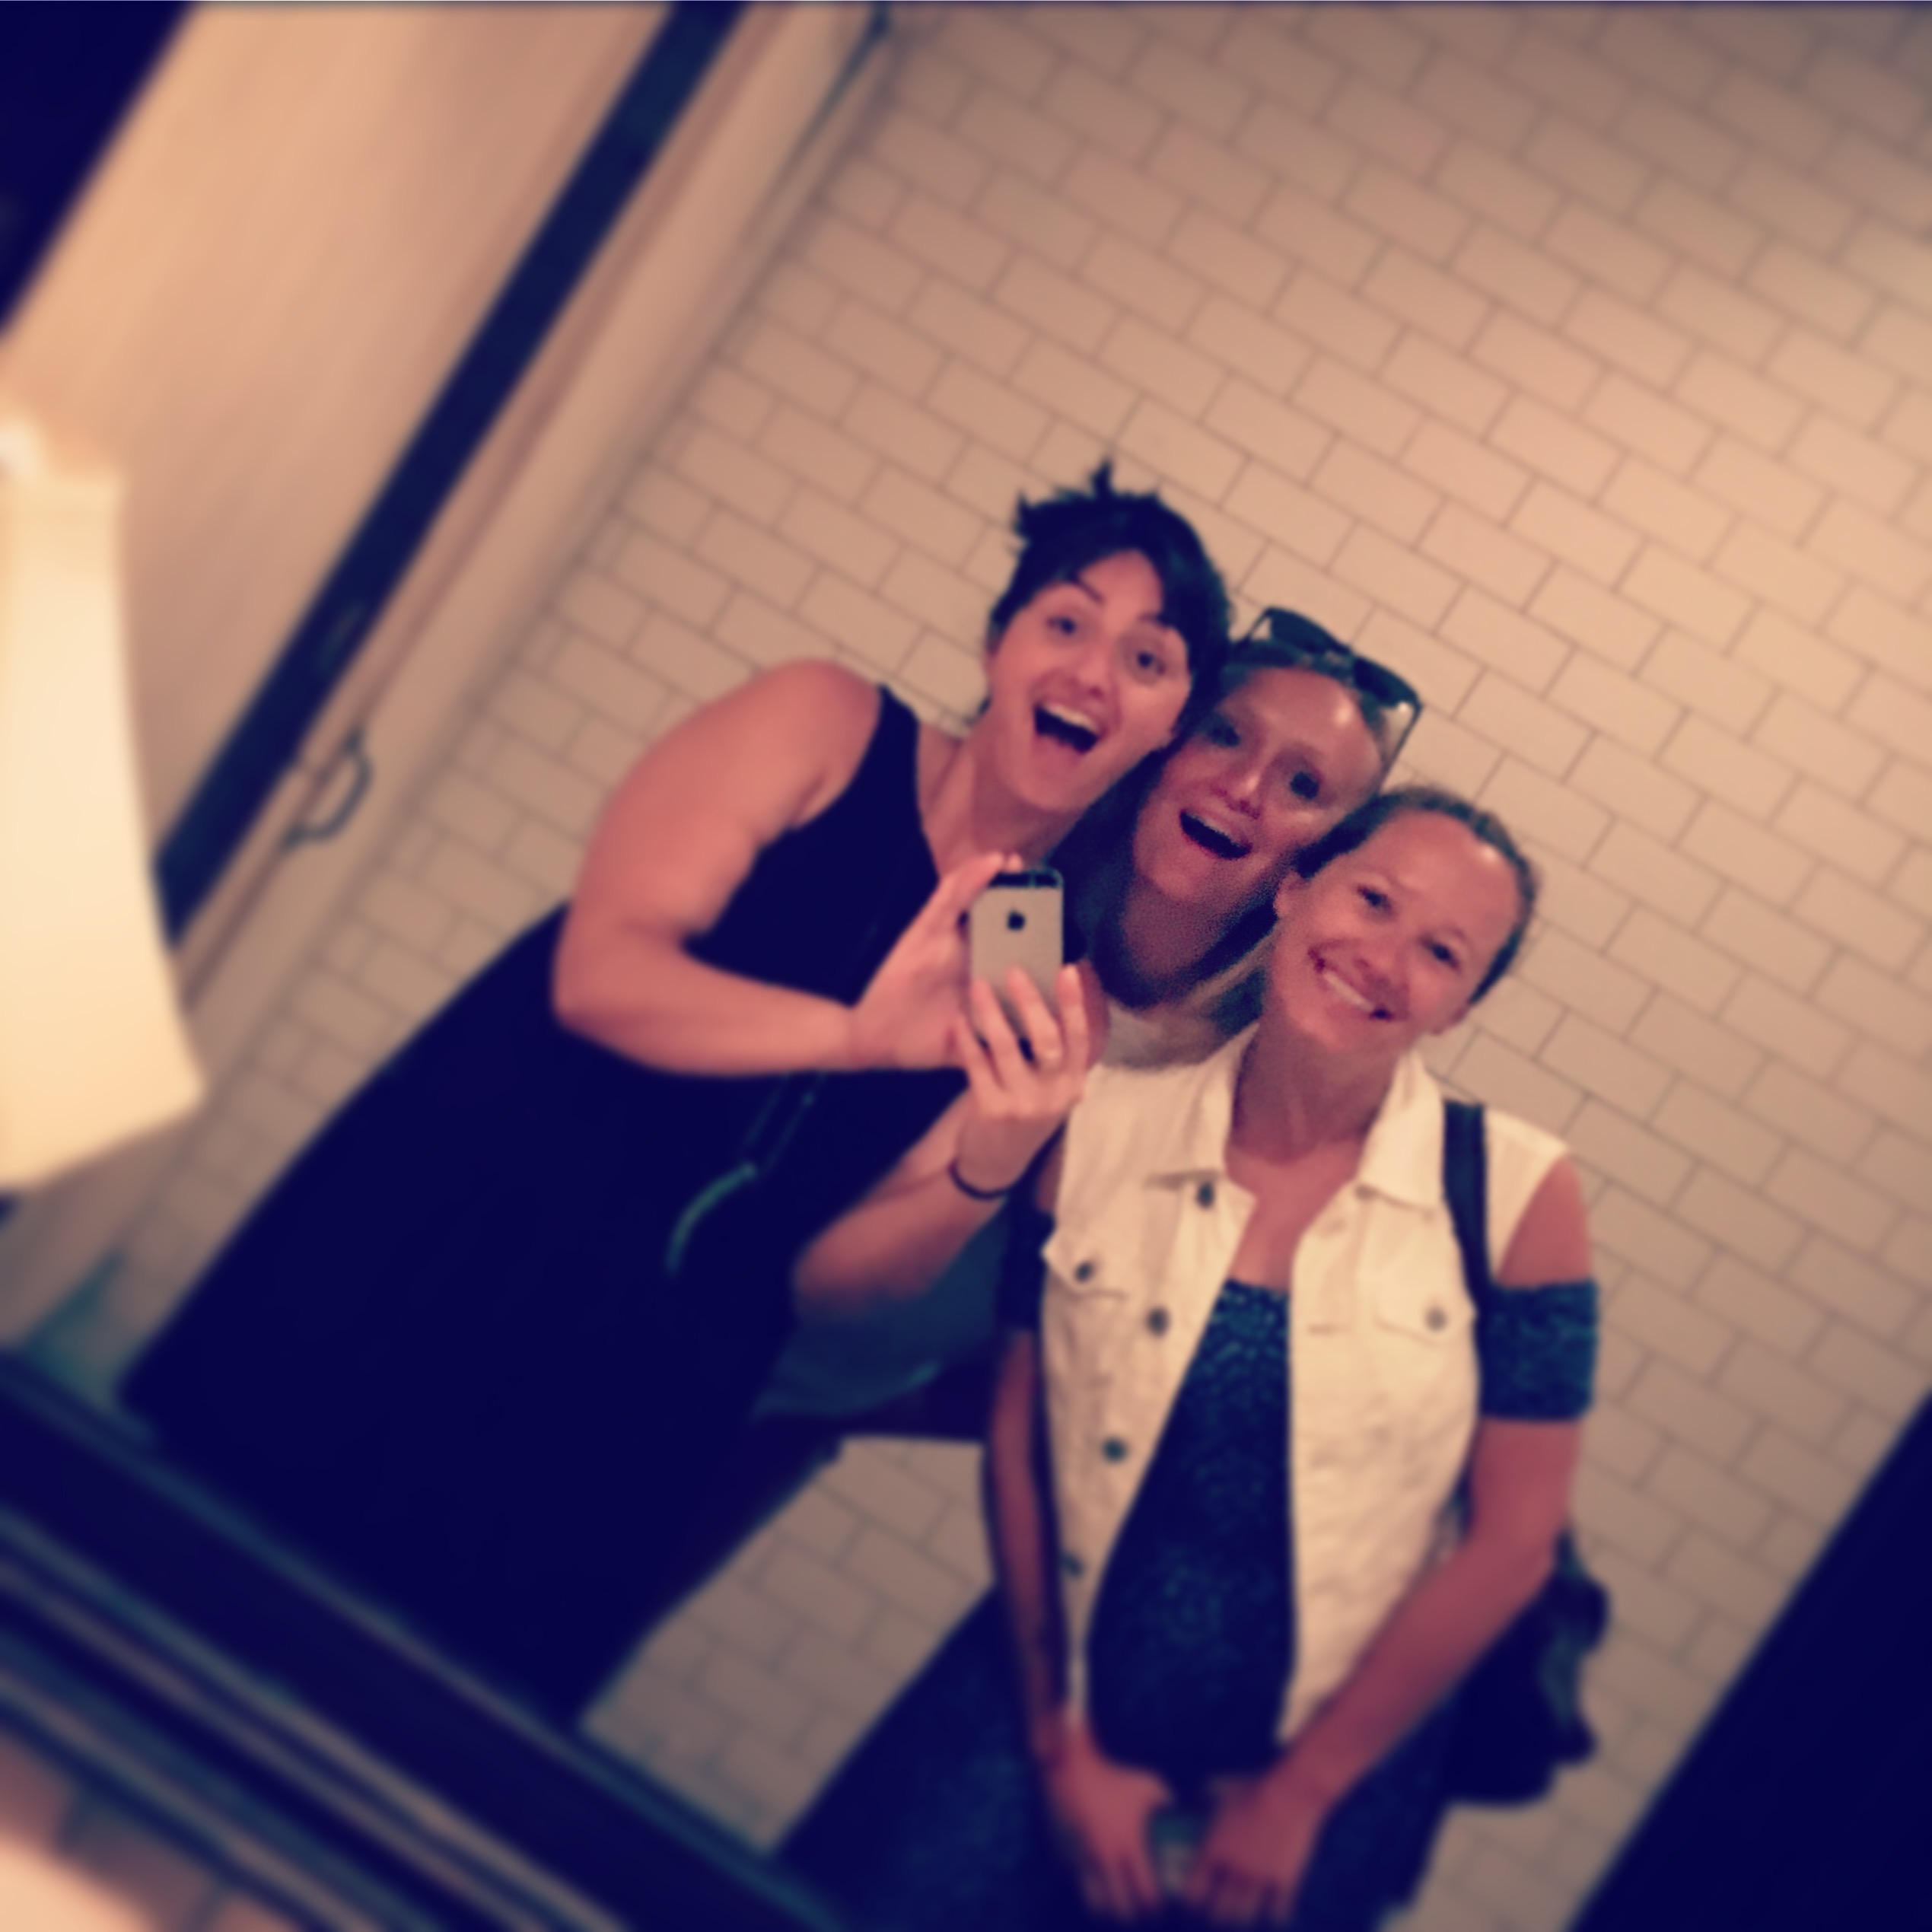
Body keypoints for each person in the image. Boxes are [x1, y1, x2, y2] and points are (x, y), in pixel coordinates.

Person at [123, 466, 1231, 1717]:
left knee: (418, 1720)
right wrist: (854, 1039)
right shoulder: (823, 724)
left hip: (653, 1374)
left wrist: (990, 1161)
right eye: (1066, 621)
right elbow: (600, 975)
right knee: (181, 1591)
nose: (1093, 673)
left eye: (1148, 659)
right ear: (999, 640)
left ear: (1168, 728)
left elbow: (822, 1286)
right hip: (481, 1214)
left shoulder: (1036, 963)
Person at [783, 788, 1597, 1932]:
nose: (1384, 958)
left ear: (1461, 1007)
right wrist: (1062, 1744)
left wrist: (1295, 1797)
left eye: (1442, 952)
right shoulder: (1101, 1127)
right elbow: (1023, 1441)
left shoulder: (1518, 1196)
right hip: (1045, 1705)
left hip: (1314, 1792)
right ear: (1295, 888)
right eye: (1374, 900)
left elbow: (1511, 1544)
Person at [638, 616, 1415, 1622]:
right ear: (1164, 741)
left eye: (1304, 784)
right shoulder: (1013, 899)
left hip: (782, 1419)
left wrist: (887, 1398)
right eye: (1225, 734)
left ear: (1322, 866)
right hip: (648, 1310)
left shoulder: (1240, 1092)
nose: (1246, 786)